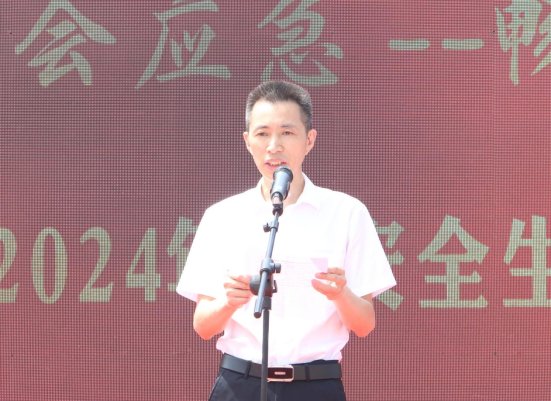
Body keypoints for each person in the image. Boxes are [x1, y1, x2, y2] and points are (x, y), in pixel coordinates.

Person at [176, 80, 396, 401]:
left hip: (315, 385)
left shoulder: (346, 212)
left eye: (287, 133)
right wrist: (229, 302)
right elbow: (203, 326)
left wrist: (340, 294)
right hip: (240, 383)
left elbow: (364, 324)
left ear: (309, 140)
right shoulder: (222, 216)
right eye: (262, 133)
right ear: (247, 141)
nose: (274, 146)